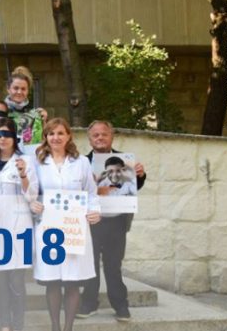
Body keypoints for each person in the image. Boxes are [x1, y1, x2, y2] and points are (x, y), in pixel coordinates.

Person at [30, 118, 101, 331]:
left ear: (69, 136)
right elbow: (32, 192)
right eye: (51, 133)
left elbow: (91, 193)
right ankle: (55, 326)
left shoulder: (81, 162)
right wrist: (34, 203)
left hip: (74, 228)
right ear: (46, 137)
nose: (56, 138)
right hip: (49, 227)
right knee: (52, 280)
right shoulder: (38, 162)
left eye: (60, 133)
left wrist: (95, 211)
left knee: (72, 281)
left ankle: (68, 328)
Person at [77, 120, 146, 322]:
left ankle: (120, 305)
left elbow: (132, 189)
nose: (100, 138)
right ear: (89, 139)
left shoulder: (125, 161)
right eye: (95, 135)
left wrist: (140, 175)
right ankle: (89, 303)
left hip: (116, 221)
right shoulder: (81, 162)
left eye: (104, 134)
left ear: (112, 136)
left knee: (113, 265)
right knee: (89, 264)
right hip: (90, 221)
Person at [0, 117, 39, 331]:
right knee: (1, 279)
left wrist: (23, 174)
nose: (3, 139)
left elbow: (32, 196)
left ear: (15, 137)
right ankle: (4, 322)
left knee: (17, 280)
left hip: (18, 225)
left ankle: (18, 323)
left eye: (7, 134)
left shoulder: (26, 161)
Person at [5, 66, 47, 151]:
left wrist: (44, 122)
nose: (19, 92)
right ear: (8, 89)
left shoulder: (36, 114)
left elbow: (41, 141)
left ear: (28, 91)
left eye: (23, 89)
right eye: (16, 88)